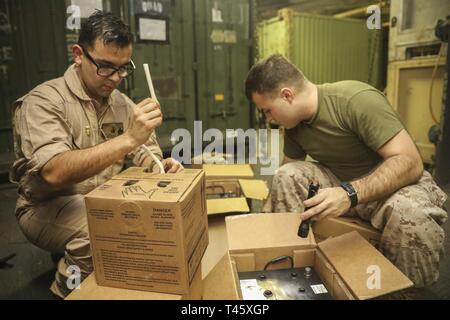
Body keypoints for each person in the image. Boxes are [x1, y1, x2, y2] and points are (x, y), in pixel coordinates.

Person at [9, 10, 182, 298]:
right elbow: (53, 173)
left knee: (135, 222)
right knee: (99, 227)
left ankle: (84, 254)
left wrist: (158, 164)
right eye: (105, 67)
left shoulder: (121, 103)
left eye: (124, 68)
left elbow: (144, 150)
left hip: (98, 200)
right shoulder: (43, 102)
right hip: (43, 206)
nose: (115, 78)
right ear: (78, 54)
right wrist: (127, 139)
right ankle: (68, 290)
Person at [245, 54, 447, 288]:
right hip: (344, 185)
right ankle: (297, 271)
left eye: (268, 111)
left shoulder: (355, 100)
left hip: (393, 187)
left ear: (287, 95)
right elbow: (287, 167)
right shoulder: (294, 125)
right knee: (286, 175)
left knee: (410, 212)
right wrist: (270, 204)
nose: (269, 119)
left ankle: (406, 291)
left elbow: (410, 162)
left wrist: (349, 193)